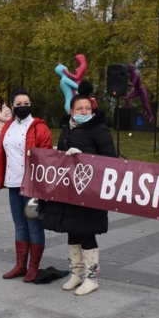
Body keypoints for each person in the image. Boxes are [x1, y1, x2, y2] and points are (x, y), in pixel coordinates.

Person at [42, 88, 116, 295]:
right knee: (72, 229)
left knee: (86, 231)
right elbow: (60, 156)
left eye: (87, 108)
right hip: (70, 190)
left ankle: (91, 278)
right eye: (79, 108)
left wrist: (84, 157)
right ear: (71, 110)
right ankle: (76, 273)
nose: (83, 111)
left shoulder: (99, 129)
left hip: (89, 190)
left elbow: (110, 159)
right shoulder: (67, 128)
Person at [0, 88, 53, 282]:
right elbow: (3, 154)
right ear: (12, 106)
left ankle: (33, 268)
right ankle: (20, 265)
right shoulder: (7, 127)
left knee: (33, 225)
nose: (22, 107)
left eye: (26, 104)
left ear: (30, 105)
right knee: (19, 225)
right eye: (18, 104)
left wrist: (37, 156)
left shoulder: (39, 127)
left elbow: (47, 156)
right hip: (13, 183)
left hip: (32, 186)